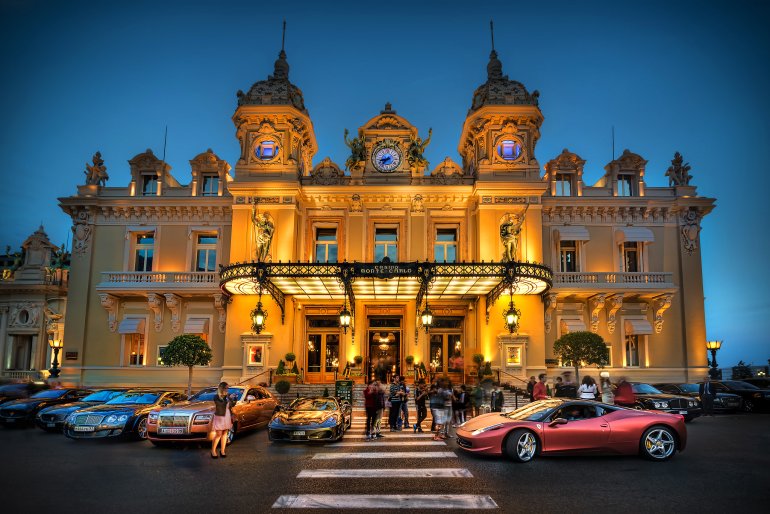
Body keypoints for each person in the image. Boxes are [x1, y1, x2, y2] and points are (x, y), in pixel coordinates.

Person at [211, 382, 235, 458]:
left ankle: (222, 451)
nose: (227, 389)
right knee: (218, 434)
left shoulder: (227, 396)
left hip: (227, 415)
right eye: (226, 388)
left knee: (225, 434)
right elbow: (220, 405)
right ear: (222, 388)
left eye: (228, 388)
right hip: (220, 416)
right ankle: (213, 451)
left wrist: (233, 398)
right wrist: (226, 398)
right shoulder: (216, 396)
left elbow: (232, 405)